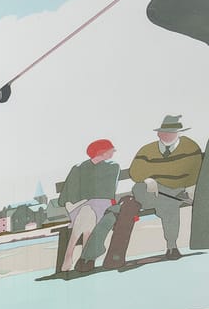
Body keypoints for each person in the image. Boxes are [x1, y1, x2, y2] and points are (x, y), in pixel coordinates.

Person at [79, 114, 204, 266]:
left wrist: (188, 187)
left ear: (179, 133)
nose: (167, 135)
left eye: (172, 132)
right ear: (158, 133)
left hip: (174, 191)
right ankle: (90, 256)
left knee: (124, 209)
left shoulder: (190, 147)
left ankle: (170, 246)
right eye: (164, 132)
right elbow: (136, 172)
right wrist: (148, 180)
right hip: (147, 191)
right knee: (120, 209)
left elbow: (196, 171)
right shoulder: (147, 150)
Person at [58, 140, 119, 272]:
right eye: (111, 149)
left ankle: (69, 255)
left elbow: (106, 191)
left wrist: (88, 197)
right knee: (87, 212)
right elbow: (68, 194)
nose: (113, 152)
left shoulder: (113, 166)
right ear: (101, 152)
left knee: (88, 212)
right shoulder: (78, 168)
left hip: (101, 203)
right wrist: (84, 199)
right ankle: (85, 258)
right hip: (78, 205)